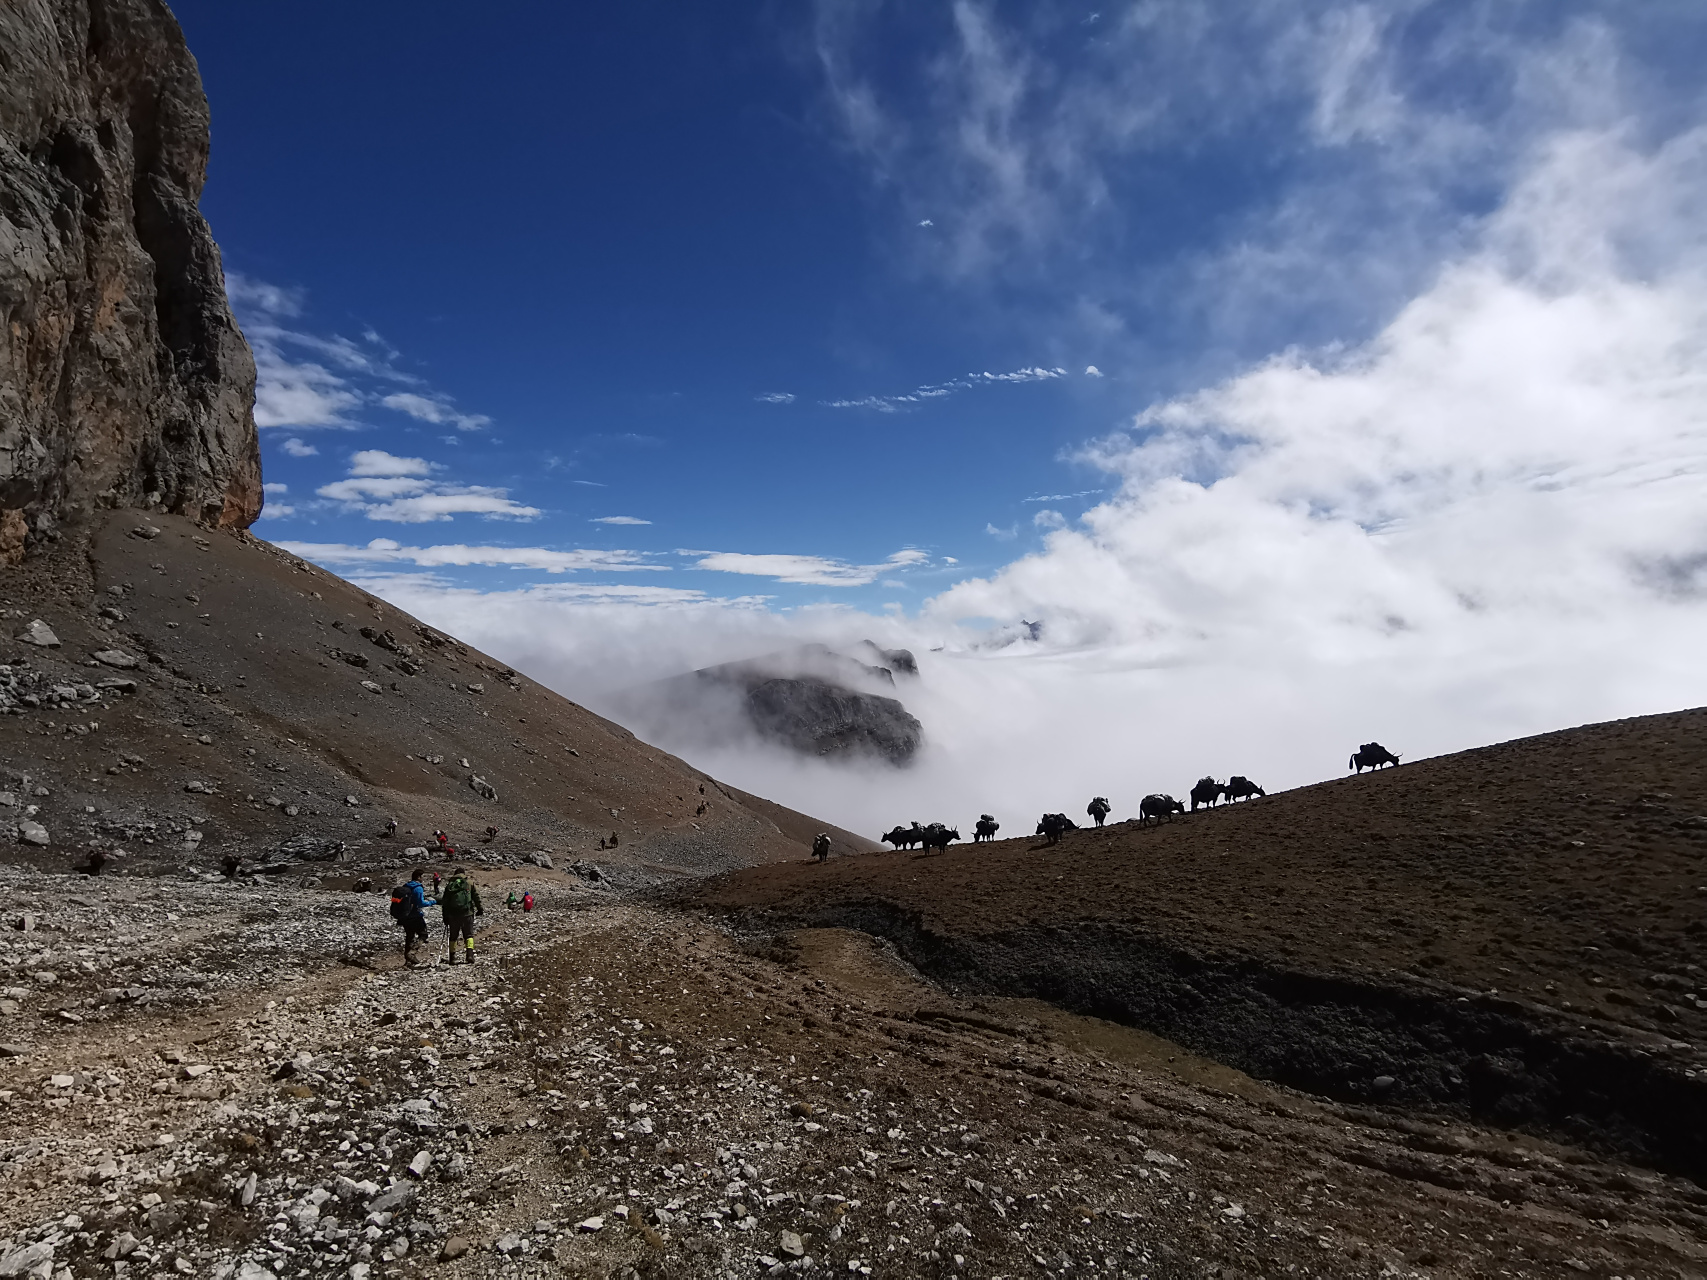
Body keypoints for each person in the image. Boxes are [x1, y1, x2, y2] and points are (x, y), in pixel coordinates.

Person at [390, 866, 436, 966]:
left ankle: (408, 960)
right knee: (423, 935)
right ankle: (412, 952)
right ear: (418, 877)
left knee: (409, 936)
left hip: (405, 915)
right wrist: (432, 902)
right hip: (415, 916)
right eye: (422, 876)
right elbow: (420, 903)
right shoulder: (418, 888)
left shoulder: (406, 886)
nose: (423, 878)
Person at [439, 866, 483, 964]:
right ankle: (469, 955)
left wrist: (445, 916)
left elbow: (445, 902)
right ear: (464, 873)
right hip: (467, 913)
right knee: (468, 935)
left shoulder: (450, 885)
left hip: (453, 914)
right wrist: (480, 909)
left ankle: (452, 958)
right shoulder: (469, 883)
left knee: (453, 936)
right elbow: (476, 897)